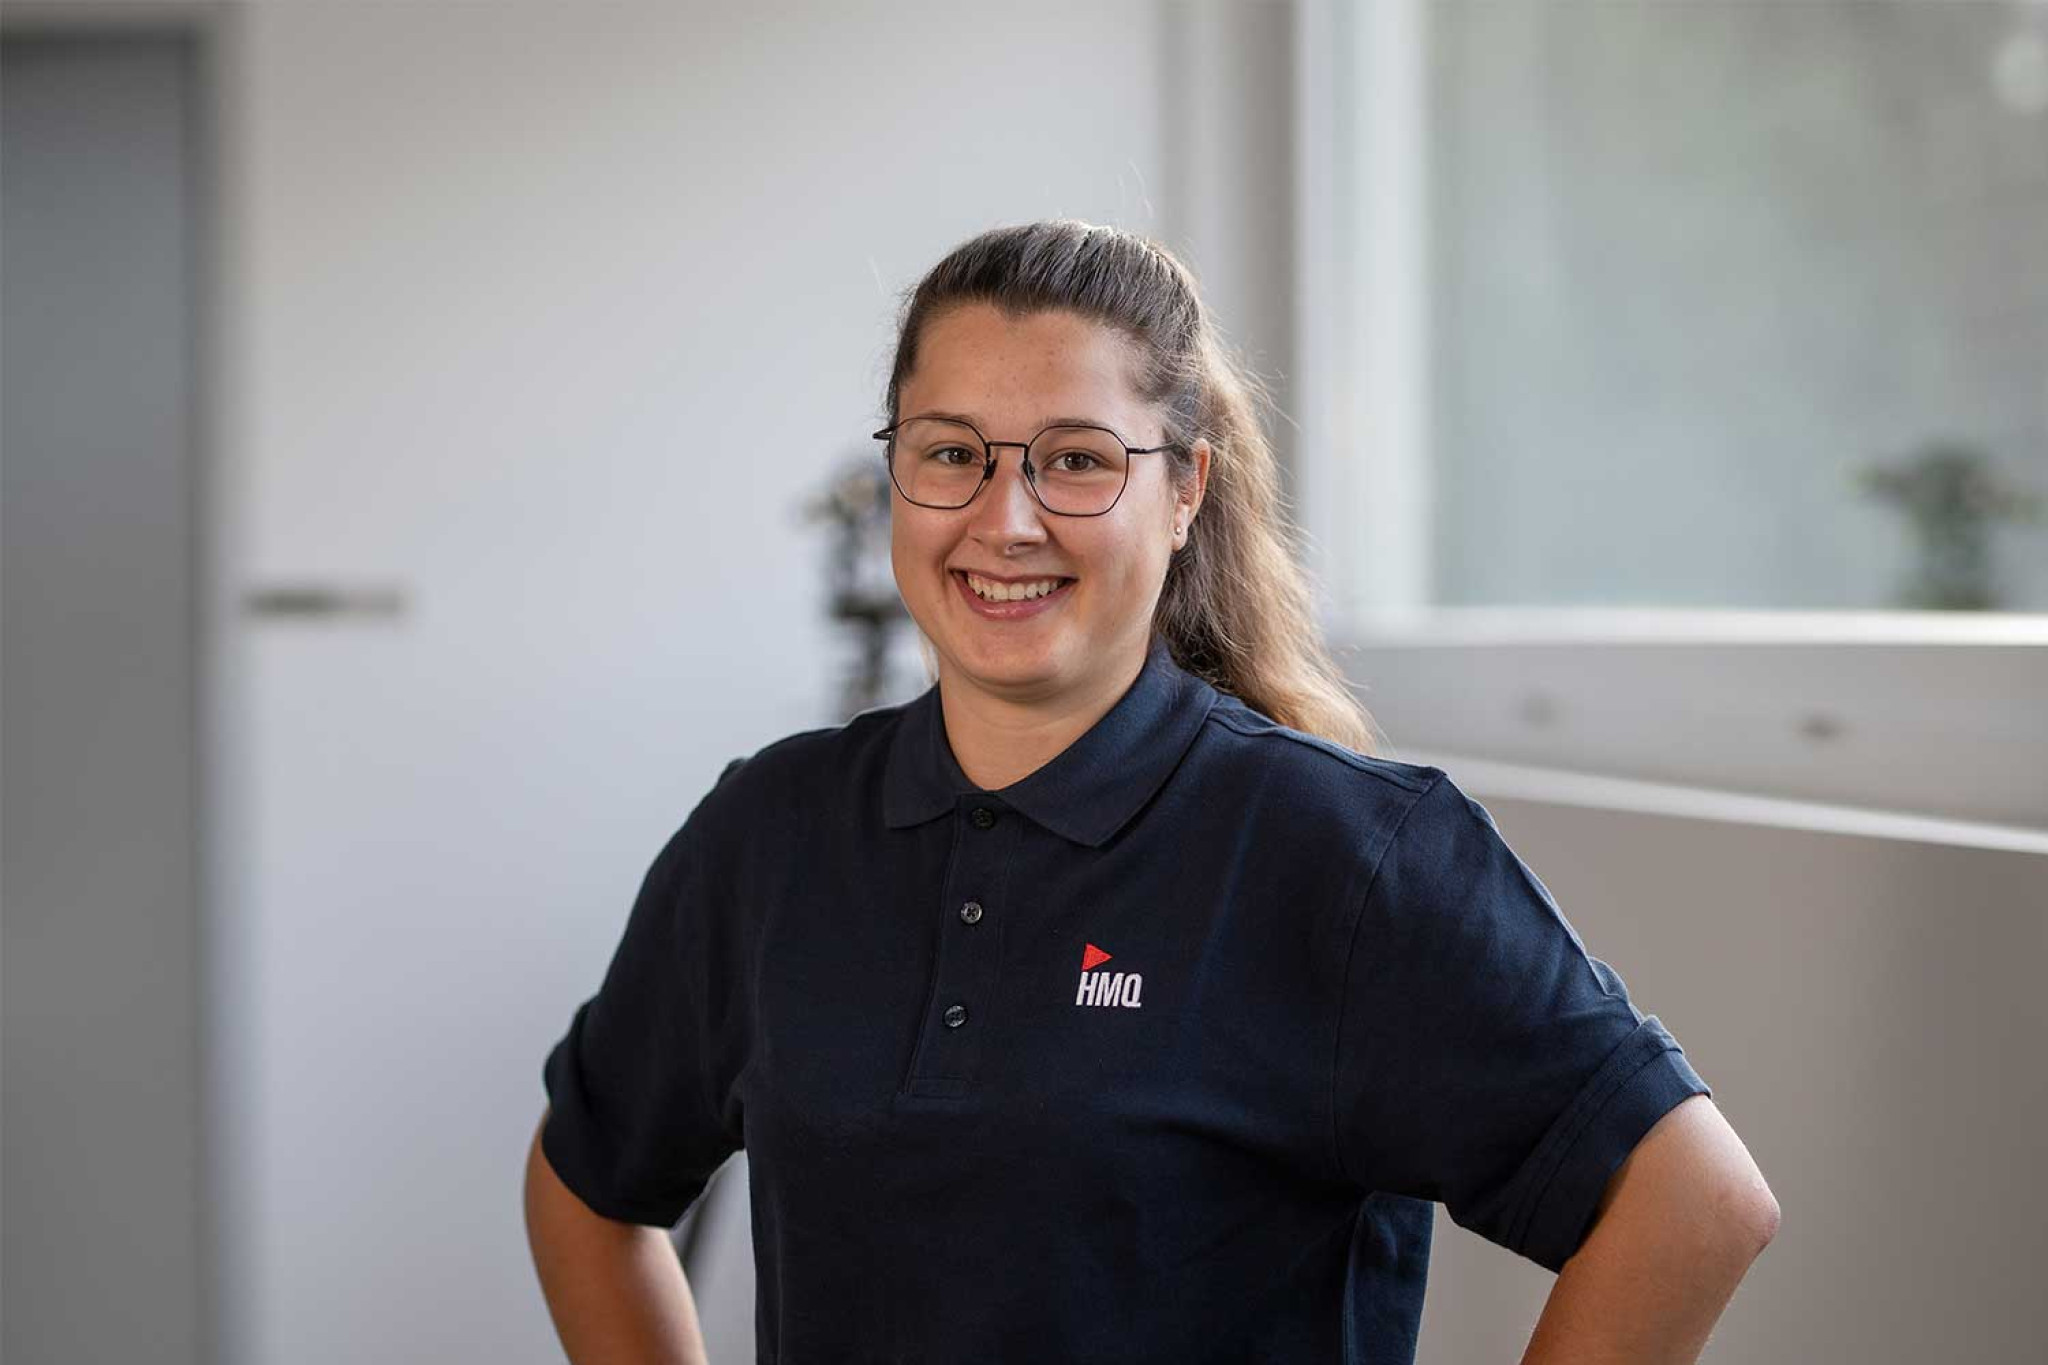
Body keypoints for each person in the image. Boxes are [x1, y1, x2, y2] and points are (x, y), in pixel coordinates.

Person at [523, 219, 1779, 1364]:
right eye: (949, 453)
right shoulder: (770, 833)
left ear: (1183, 491)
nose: (1004, 520)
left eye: (1074, 461)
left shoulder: (1345, 853)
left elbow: (1690, 1202)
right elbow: (584, 1184)